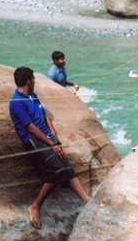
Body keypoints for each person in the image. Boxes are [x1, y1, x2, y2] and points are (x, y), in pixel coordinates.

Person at [9, 67, 90, 229]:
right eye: (33, 79)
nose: (34, 81)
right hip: (34, 141)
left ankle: (88, 202)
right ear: (27, 81)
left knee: (67, 168)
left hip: (47, 138)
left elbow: (45, 115)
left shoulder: (32, 95)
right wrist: (51, 144)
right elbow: (30, 127)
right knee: (57, 172)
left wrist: (55, 138)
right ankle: (35, 206)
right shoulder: (16, 103)